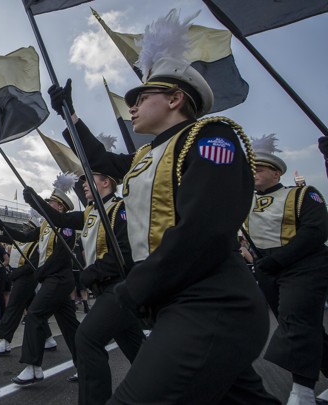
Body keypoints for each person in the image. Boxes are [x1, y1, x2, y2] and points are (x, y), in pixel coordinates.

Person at [48, 10, 278, 403]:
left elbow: (204, 230)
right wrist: (71, 116)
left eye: (141, 97)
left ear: (175, 98)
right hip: (179, 301)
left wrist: (132, 290)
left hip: (213, 303)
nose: (132, 105)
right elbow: (100, 159)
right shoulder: (145, 158)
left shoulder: (212, 136)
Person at [28, 173, 144, 400]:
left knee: (86, 338)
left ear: (106, 182)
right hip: (105, 291)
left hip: (119, 288)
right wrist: (35, 201)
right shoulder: (91, 212)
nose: (83, 184)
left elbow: (125, 253)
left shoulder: (120, 209)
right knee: (139, 352)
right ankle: (162, 389)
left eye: (91, 179)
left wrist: (92, 273)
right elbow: (60, 219)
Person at [246, 151, 328, 405]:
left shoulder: (302, 194)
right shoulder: (244, 203)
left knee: (295, 321)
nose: (253, 174)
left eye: (259, 169)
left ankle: (302, 392)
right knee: (305, 327)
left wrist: (277, 260)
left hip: (305, 264)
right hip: (269, 270)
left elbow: (317, 231)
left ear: (276, 172)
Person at [1, 175, 79, 385]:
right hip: (52, 279)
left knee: (34, 315)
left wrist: (40, 273)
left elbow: (62, 256)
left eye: (51, 203)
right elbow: (24, 237)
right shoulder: (45, 226)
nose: (48, 205)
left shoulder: (67, 227)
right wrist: (3, 228)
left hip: (59, 279)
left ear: (60, 207)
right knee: (70, 325)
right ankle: (86, 364)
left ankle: (33, 367)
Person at [0, 214, 57, 357]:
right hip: (20, 277)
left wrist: (15, 274)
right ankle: (49, 339)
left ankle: (5, 341)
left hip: (27, 278)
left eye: (27, 228)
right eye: (24, 227)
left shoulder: (39, 244)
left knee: (13, 307)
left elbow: (32, 265)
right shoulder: (21, 241)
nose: (24, 229)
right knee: (33, 309)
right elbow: (2, 238)